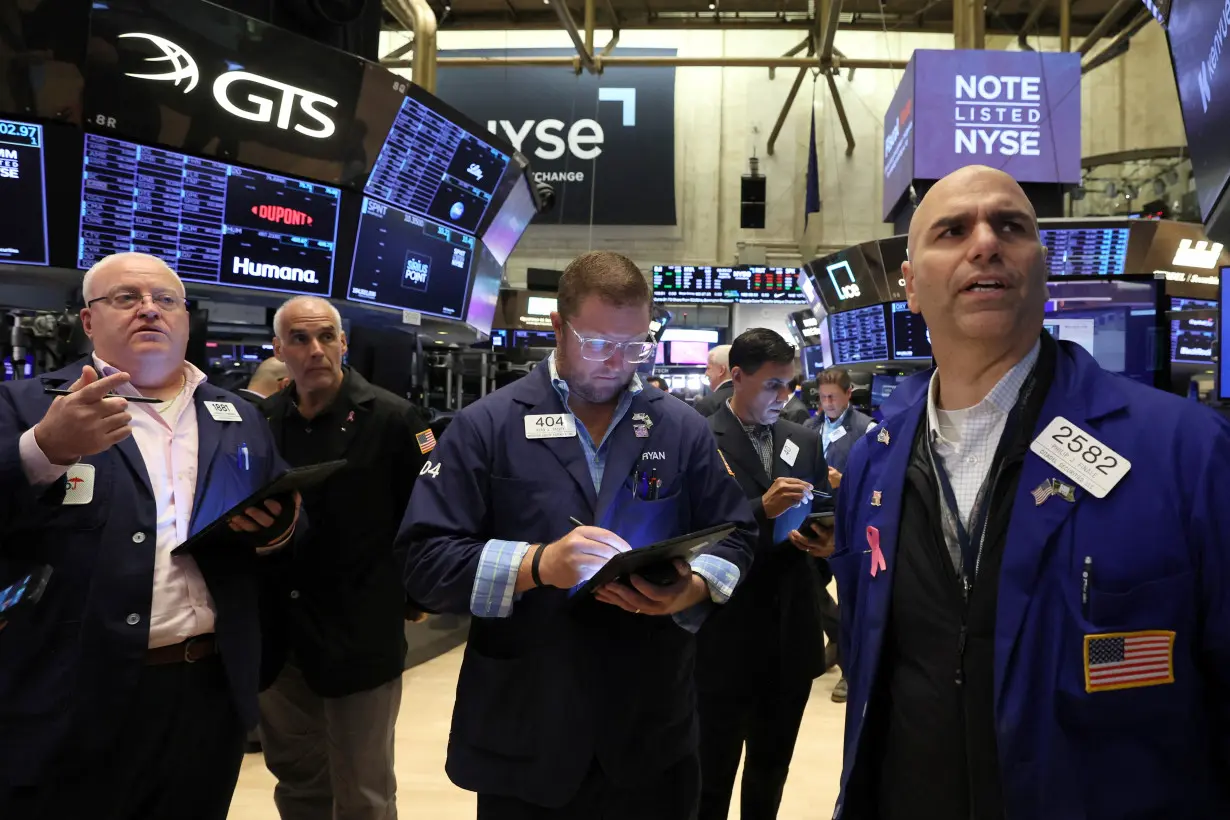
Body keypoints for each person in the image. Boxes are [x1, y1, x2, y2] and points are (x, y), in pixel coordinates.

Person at [830, 165, 1230, 820]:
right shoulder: (872, 467)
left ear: (1043, 271)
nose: (984, 243)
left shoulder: (1186, 452)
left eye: (1010, 227)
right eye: (952, 230)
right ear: (910, 287)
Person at [398, 250, 758, 819]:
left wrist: (689, 589)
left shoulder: (680, 427)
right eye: (597, 344)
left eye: (636, 345)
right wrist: (539, 565)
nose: (618, 362)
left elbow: (737, 532)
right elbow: (423, 562)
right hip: (528, 725)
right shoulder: (485, 426)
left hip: (650, 726)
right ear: (558, 328)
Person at [0, 252, 297, 820]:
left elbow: (284, 512)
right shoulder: (26, 404)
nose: (148, 311)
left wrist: (280, 528)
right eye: (125, 298)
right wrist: (46, 449)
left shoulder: (235, 414)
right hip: (73, 695)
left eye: (165, 300)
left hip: (207, 690)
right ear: (88, 322)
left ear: (186, 318)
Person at [258, 296, 431, 820]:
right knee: (298, 784)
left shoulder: (395, 419)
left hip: (360, 632)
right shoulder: (260, 420)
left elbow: (425, 519)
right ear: (279, 349)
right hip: (281, 636)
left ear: (343, 343)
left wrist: (416, 596)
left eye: (326, 337)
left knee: (364, 792)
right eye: (300, 339)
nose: (316, 350)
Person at [696, 328, 833, 820]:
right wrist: (760, 509)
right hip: (722, 633)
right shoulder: (698, 436)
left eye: (791, 385)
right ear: (736, 377)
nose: (784, 396)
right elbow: (692, 528)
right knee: (710, 777)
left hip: (790, 632)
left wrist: (824, 542)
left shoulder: (803, 439)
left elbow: (820, 510)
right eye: (773, 384)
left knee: (770, 774)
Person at [806, 367, 877, 476]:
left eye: (833, 397)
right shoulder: (808, 426)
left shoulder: (868, 429)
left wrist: (842, 481)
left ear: (848, 393)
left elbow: (877, 477)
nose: (827, 403)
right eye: (823, 397)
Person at [693, 344, 733, 417]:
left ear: (721, 370)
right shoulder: (750, 399)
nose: (706, 374)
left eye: (708, 368)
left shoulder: (707, 404)